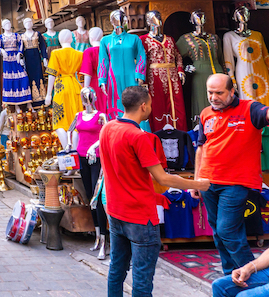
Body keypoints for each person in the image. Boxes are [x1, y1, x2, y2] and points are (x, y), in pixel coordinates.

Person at [100, 85, 210, 297]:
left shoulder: (108, 128)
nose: (151, 108)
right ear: (143, 106)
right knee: (142, 279)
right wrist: (198, 184)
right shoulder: (138, 136)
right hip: (140, 215)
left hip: (115, 210)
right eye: (150, 104)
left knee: (116, 269)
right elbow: (161, 178)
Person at [191, 73, 269, 275]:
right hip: (207, 181)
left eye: (219, 92)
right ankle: (230, 275)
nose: (213, 97)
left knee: (227, 230)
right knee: (218, 232)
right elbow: (201, 147)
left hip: (235, 183)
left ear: (232, 91)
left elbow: (266, 113)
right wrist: (196, 180)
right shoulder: (206, 113)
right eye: (210, 92)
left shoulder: (250, 108)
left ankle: (255, 275)